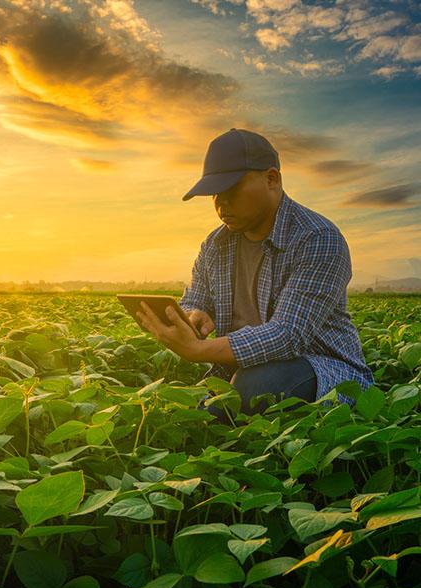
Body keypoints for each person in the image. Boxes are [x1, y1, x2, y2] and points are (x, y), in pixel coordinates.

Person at [135, 127, 374, 424]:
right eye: (215, 195)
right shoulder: (215, 245)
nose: (221, 204)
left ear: (271, 179)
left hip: (321, 369)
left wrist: (199, 350)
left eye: (231, 190)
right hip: (238, 371)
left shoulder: (318, 238)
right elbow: (193, 299)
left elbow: (289, 335)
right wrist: (192, 315)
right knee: (184, 405)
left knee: (256, 388)